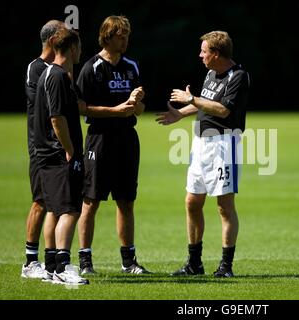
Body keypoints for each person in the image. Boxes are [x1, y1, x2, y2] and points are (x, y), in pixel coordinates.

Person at [156, 31, 250, 277]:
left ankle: (225, 266)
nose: (200, 55)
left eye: (204, 51)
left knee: (224, 205)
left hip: (223, 145)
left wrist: (192, 99)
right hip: (200, 145)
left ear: (216, 54)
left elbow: (222, 110)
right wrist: (181, 112)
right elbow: (203, 103)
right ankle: (194, 263)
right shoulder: (210, 73)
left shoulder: (238, 76)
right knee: (192, 201)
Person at [76, 15, 147, 275]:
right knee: (91, 201)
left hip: (127, 140)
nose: (125, 40)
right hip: (100, 139)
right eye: (121, 36)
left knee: (126, 201)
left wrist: (136, 102)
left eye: (127, 35)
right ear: (107, 37)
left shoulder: (132, 66)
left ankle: (129, 261)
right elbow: (81, 108)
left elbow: (139, 110)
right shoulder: (92, 67)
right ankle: (85, 262)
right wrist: (116, 110)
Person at [33, 27, 88, 284]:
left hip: (47, 155)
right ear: (73, 48)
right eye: (79, 47)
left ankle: (51, 266)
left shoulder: (48, 73)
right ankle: (63, 268)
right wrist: (69, 149)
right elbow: (57, 118)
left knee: (54, 210)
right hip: (58, 155)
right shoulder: (56, 76)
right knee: (69, 210)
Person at [21, 20, 65, 279]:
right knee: (40, 202)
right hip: (41, 148)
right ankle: (29, 263)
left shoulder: (58, 69)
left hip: (57, 147)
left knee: (54, 204)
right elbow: (48, 105)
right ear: (52, 40)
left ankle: (51, 262)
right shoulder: (36, 69)